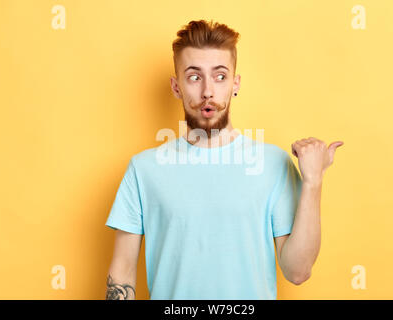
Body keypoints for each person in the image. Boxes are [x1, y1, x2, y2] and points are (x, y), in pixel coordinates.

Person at [104, 19, 343, 300]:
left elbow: (298, 271)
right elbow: (121, 274)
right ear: (176, 86)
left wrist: (313, 182)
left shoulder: (273, 164)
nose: (208, 91)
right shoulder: (143, 170)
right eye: (194, 77)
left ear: (235, 84)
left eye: (220, 76)